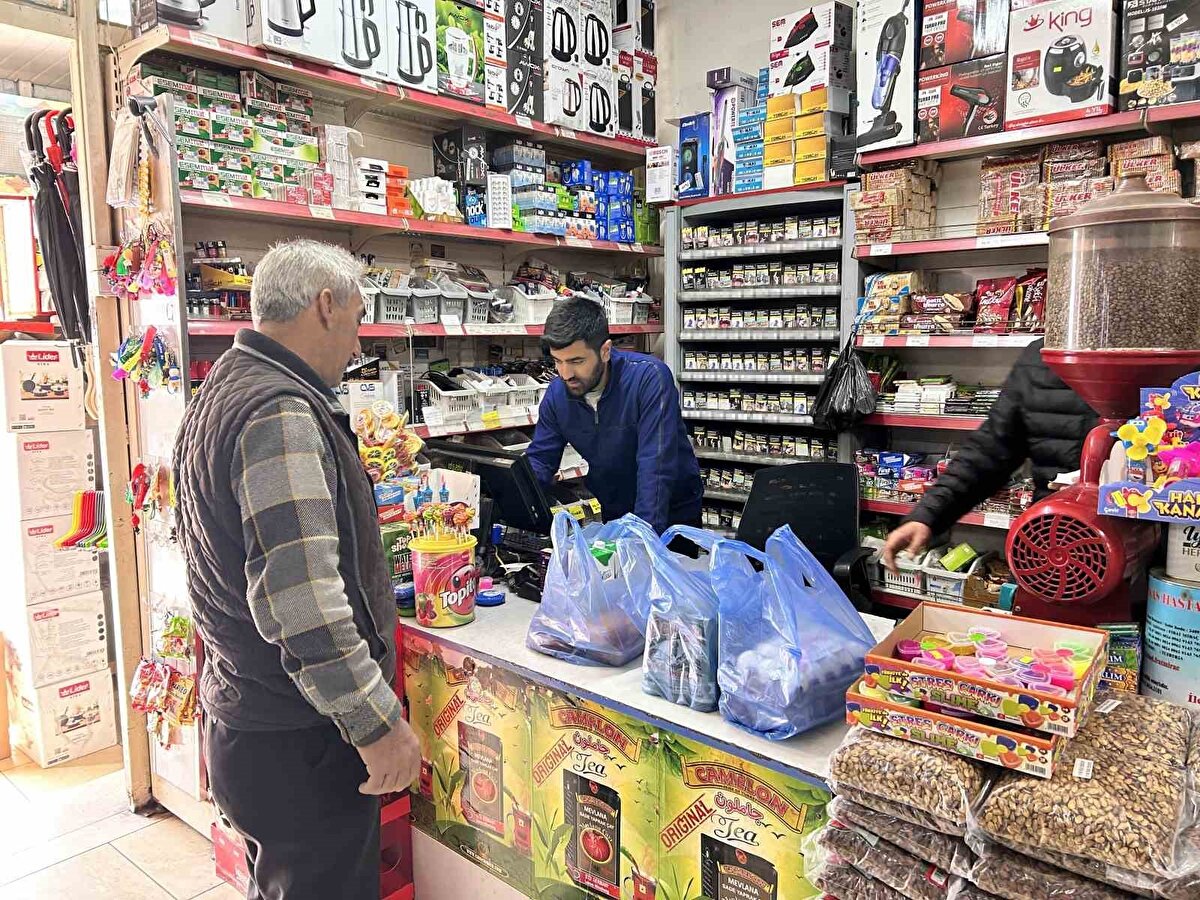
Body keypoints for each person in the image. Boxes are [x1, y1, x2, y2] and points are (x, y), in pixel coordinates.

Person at [173, 240, 420, 899]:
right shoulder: (279, 412)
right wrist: (378, 725)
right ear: (325, 305)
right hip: (300, 743)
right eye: (359, 319)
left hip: (249, 721)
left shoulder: (223, 388)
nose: (358, 342)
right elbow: (303, 604)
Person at [882, 338, 1097, 571]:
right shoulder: (1040, 358)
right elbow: (989, 451)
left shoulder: (1142, 358)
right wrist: (927, 515)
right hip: (1048, 548)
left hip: (1134, 560)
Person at [525, 295, 702, 533]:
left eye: (577, 361)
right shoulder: (558, 395)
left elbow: (656, 468)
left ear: (605, 351)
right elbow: (541, 460)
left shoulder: (649, 379)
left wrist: (642, 541)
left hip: (673, 513)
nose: (566, 373)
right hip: (615, 508)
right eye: (558, 361)